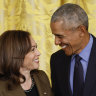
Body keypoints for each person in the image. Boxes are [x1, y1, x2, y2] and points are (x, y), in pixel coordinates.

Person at [50, 3, 96, 96]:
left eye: (60, 36)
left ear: (81, 31)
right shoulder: (56, 59)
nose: (56, 42)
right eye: (55, 36)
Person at [0, 30, 53, 96]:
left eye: (36, 47)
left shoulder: (41, 76)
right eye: (32, 50)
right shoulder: (1, 86)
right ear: (16, 54)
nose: (39, 53)